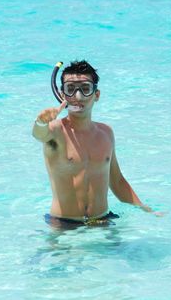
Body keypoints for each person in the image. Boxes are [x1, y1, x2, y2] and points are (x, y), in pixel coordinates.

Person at [32, 60, 159, 229]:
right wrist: (41, 121)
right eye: (71, 89)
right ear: (63, 96)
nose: (78, 96)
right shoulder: (55, 131)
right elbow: (38, 134)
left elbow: (117, 181)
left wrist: (146, 210)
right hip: (64, 225)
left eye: (85, 89)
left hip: (102, 221)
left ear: (96, 95)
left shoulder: (106, 133)